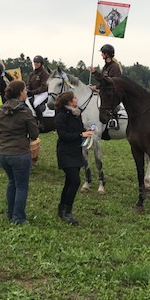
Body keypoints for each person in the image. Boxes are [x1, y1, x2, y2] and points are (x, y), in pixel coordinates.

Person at [0, 80, 40, 224]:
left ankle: (10, 212)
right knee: (21, 186)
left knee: (12, 182)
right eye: (25, 90)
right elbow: (34, 134)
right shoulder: (25, 111)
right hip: (19, 153)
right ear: (20, 93)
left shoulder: (0, 110)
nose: (26, 92)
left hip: (3, 153)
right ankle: (18, 217)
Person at [54, 91, 94, 225]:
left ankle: (62, 208)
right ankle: (68, 211)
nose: (77, 99)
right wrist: (81, 135)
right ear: (70, 102)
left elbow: (79, 129)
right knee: (75, 181)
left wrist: (86, 131)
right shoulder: (60, 116)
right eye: (75, 98)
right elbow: (63, 135)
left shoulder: (76, 114)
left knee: (69, 182)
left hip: (76, 152)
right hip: (65, 153)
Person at [89, 44, 123, 138]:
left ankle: (113, 122)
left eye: (102, 53)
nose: (101, 55)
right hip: (104, 92)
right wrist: (96, 86)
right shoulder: (106, 66)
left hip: (112, 92)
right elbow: (103, 81)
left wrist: (95, 73)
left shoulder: (114, 67)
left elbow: (109, 82)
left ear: (106, 54)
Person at [26, 55, 50, 131]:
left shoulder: (45, 73)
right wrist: (27, 90)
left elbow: (43, 87)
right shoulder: (32, 74)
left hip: (43, 93)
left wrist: (32, 92)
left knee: (35, 103)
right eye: (35, 62)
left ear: (41, 63)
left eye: (38, 62)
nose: (36, 64)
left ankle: (41, 122)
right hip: (33, 93)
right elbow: (28, 84)